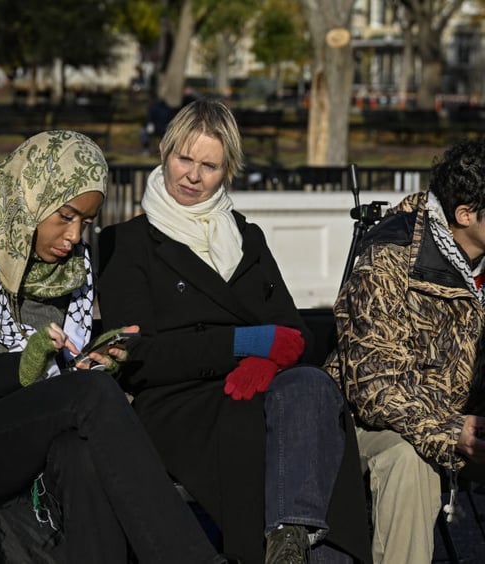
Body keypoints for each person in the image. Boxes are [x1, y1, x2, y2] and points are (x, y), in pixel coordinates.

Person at [0, 129, 227, 563]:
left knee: (80, 452)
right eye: (65, 216)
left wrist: (92, 363)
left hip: (43, 432)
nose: (73, 236)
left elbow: (59, 384)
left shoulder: (73, 270)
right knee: (88, 397)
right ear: (33, 195)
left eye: (85, 221)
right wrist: (19, 370)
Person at [98, 99, 371, 564]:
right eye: (185, 158)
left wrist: (267, 360)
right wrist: (244, 343)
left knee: (312, 385)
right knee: (267, 427)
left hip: (255, 388)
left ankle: (290, 536)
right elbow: (138, 357)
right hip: (177, 402)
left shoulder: (247, 237)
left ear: (227, 171)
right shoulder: (126, 243)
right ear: (163, 150)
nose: (192, 175)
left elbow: (292, 332)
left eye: (209, 165)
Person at [325, 138, 485, 564]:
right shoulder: (389, 258)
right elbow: (376, 385)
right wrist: (454, 431)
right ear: (465, 216)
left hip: (464, 423)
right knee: (408, 458)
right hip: (368, 422)